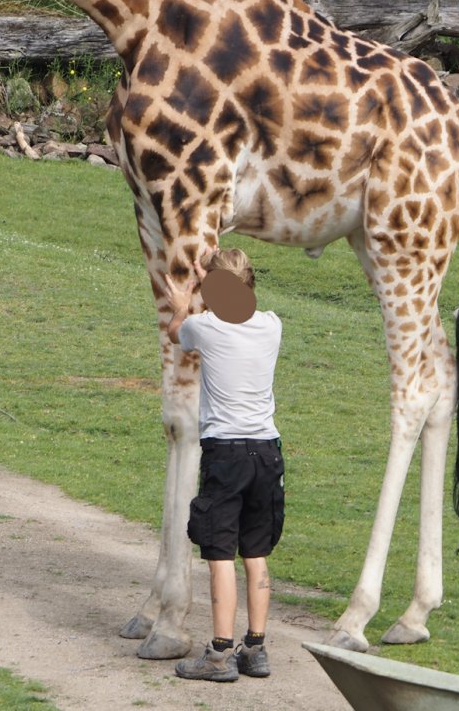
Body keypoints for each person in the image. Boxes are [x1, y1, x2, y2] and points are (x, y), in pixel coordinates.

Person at [163, 248, 284, 683]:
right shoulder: (272, 325)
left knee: (220, 555)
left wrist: (189, 295)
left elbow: (177, 331)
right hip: (267, 452)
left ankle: (218, 654)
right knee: (257, 554)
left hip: (226, 454)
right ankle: (256, 648)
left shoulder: (204, 326)